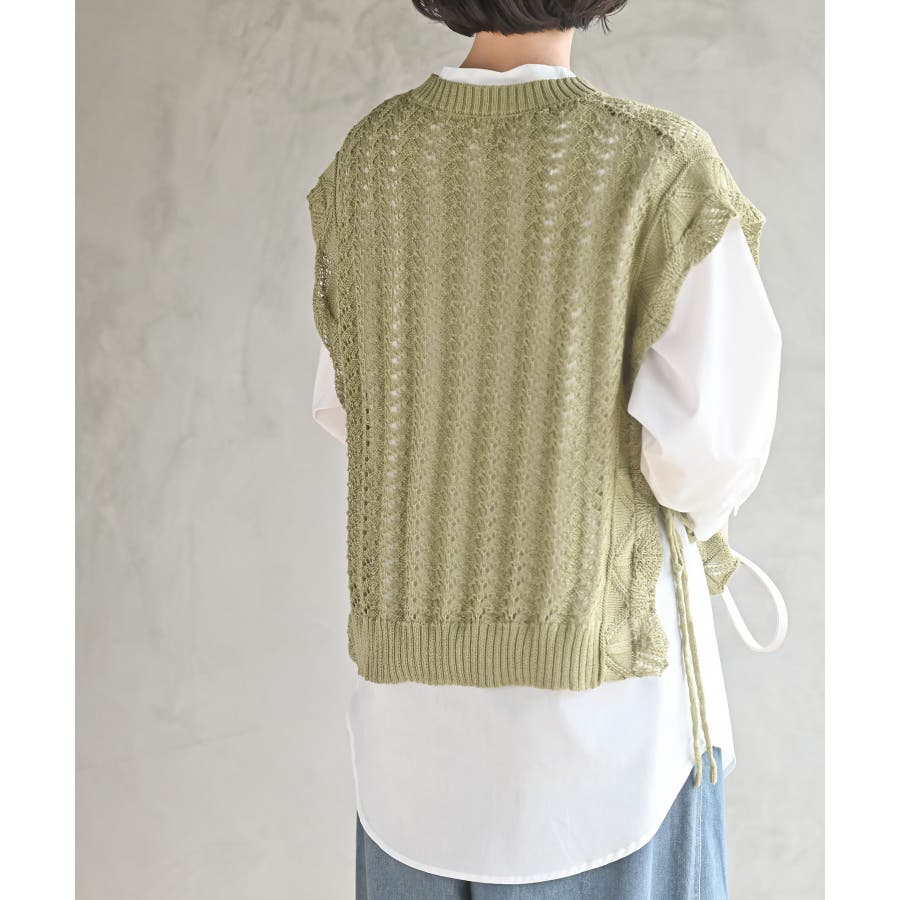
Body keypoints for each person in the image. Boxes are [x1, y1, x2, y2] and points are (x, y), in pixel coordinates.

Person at [307, 2, 786, 897]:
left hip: (411, 743)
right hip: (604, 737)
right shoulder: (657, 165)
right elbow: (706, 454)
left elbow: (348, 408)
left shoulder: (369, 165)